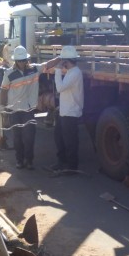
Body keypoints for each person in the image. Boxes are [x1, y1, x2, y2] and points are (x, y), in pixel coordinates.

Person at [0, 45, 61, 170]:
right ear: (16, 60)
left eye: (24, 60)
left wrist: (60, 57)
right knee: (17, 137)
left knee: (29, 136)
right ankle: (19, 160)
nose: (22, 63)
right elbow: (3, 91)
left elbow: (47, 65)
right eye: (20, 61)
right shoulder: (9, 73)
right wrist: (2, 107)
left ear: (27, 59)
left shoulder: (34, 70)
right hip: (14, 110)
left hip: (28, 110)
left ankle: (29, 161)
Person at [51, 45, 84, 173]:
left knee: (70, 140)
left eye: (62, 60)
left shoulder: (75, 72)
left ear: (66, 61)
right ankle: (62, 161)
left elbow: (60, 88)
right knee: (59, 136)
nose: (61, 63)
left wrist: (58, 71)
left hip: (71, 112)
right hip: (65, 111)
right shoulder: (71, 72)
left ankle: (72, 166)